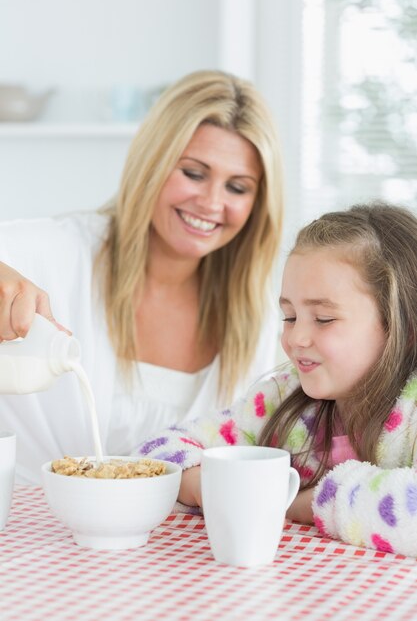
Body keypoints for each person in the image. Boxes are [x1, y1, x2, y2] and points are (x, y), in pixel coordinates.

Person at [0, 70, 284, 485]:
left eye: (238, 188)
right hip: (29, 534)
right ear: (152, 162)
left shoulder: (255, 313)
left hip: (169, 548)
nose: (210, 203)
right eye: (193, 173)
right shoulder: (57, 253)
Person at [135, 201, 417, 558]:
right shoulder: (283, 395)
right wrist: (213, 486)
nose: (296, 338)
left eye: (324, 319)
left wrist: (306, 502)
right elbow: (156, 454)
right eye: (290, 316)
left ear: (403, 328)